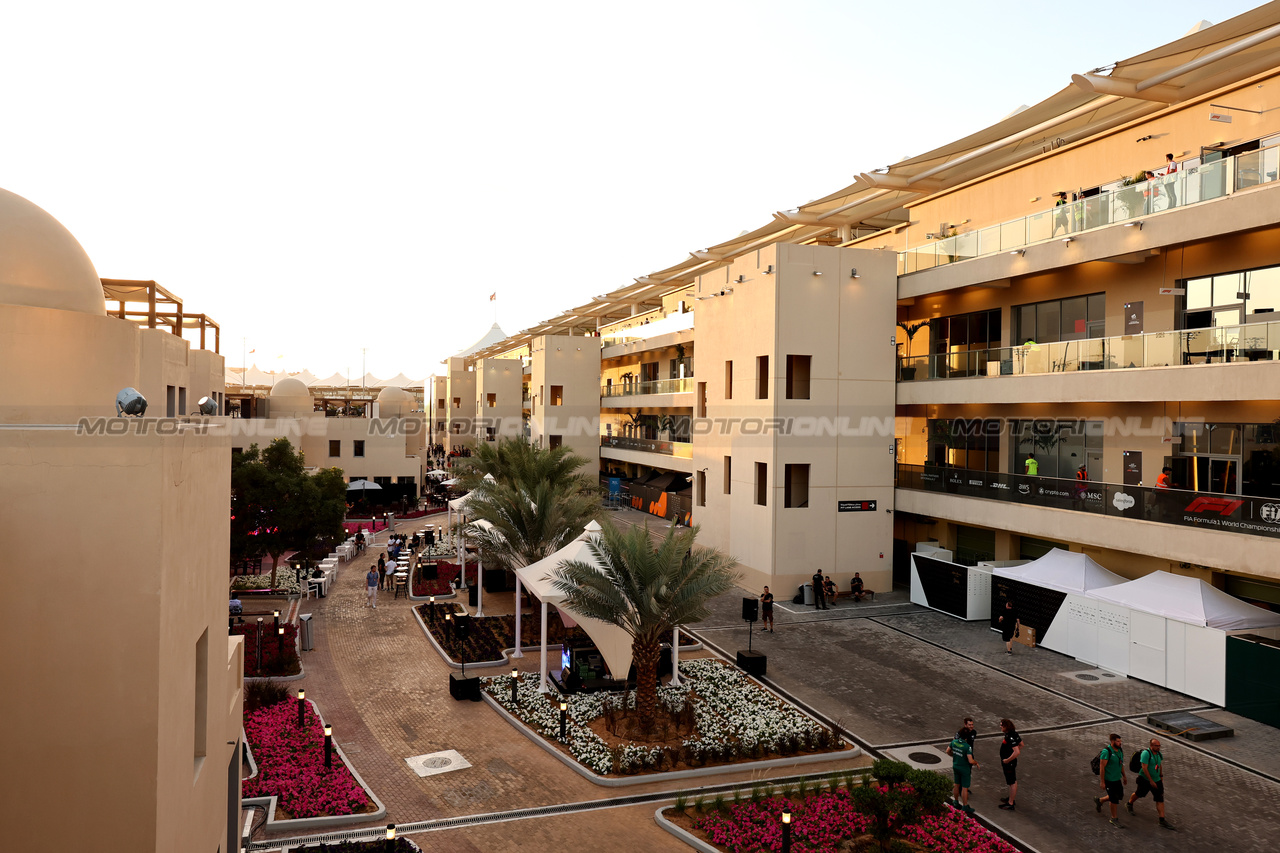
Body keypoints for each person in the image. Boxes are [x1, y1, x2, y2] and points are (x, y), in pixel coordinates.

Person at [1127, 738, 1175, 830]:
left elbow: (1159, 764)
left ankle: (1162, 820)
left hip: (1157, 780)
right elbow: (1144, 768)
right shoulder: (1146, 754)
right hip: (1144, 779)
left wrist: (1161, 776)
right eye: (1156, 746)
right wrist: (1151, 781)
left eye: (1159, 745)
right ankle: (1129, 803)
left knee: (1160, 798)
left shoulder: (1159, 754)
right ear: (1151, 746)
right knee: (1139, 794)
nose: (1158, 747)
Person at [1094, 733, 1128, 828]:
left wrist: (1124, 776)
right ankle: (1114, 818)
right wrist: (1102, 781)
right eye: (1118, 741)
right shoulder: (1106, 752)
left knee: (1119, 795)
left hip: (1117, 779)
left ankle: (1100, 800)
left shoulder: (1120, 751)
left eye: (1120, 741)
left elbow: (1121, 764)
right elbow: (1102, 767)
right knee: (1114, 799)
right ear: (1112, 741)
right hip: (1109, 779)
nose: (1120, 743)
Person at [947, 726, 979, 814]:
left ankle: (956, 801)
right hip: (964, 769)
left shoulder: (954, 742)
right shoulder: (967, 747)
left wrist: (954, 755)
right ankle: (965, 806)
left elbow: (948, 751)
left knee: (956, 784)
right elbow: (970, 760)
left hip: (956, 765)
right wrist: (976, 763)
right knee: (965, 788)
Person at [998, 718, 1023, 810]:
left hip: (1009, 763)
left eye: (1001, 725)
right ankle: (1011, 798)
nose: (1000, 727)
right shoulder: (1013, 733)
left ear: (1005, 726)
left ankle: (1010, 803)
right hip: (1011, 762)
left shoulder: (1010, 736)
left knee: (1012, 782)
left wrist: (1008, 759)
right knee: (1012, 781)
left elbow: (1017, 752)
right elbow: (1021, 744)